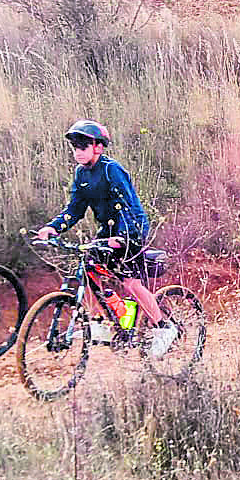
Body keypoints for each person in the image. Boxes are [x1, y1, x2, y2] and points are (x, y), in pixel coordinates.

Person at [32, 119, 177, 358]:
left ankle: (163, 328)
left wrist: (123, 236)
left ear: (98, 147)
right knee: (90, 270)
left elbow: (128, 205)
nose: (77, 151)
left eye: (82, 145)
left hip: (131, 229)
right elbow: (75, 210)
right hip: (108, 232)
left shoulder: (112, 170)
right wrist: (53, 228)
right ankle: (113, 319)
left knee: (130, 283)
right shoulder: (81, 174)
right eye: (75, 146)